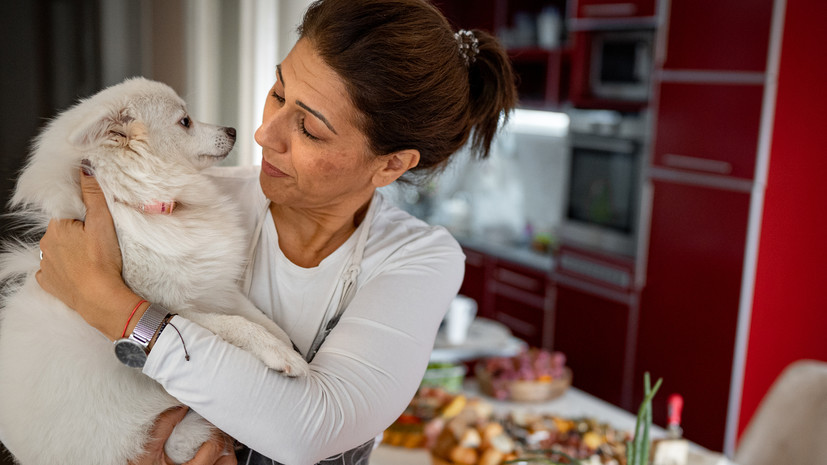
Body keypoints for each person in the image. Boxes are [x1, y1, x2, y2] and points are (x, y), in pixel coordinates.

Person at [35, 0, 517, 463]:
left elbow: (312, 430)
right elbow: (51, 318)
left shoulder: (417, 258)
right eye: (279, 93)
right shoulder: (171, 205)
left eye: (308, 128)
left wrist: (120, 312)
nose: (265, 133)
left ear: (391, 163)